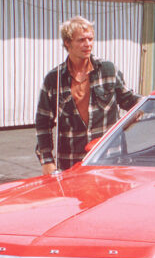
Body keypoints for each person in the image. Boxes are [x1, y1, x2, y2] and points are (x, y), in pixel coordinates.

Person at [35, 15, 140, 173]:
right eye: (81, 40)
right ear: (67, 43)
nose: (88, 44)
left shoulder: (108, 70)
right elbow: (43, 122)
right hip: (71, 161)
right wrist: (47, 161)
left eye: (90, 39)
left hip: (109, 158)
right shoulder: (54, 79)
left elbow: (129, 100)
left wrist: (154, 101)